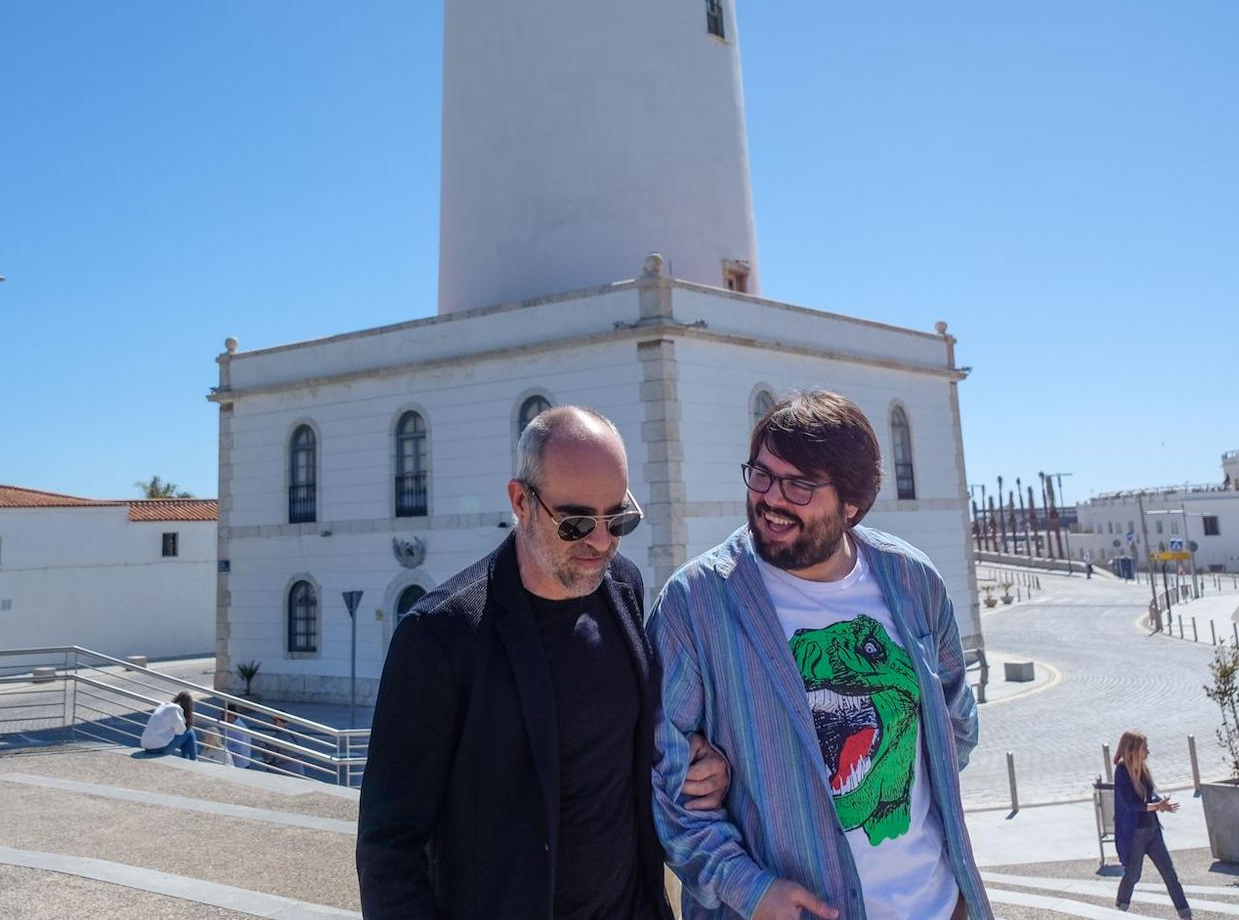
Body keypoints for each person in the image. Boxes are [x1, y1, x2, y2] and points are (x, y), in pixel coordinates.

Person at [357, 405, 729, 918]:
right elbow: (388, 845)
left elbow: (620, 739)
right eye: (576, 522)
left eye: (618, 517)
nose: (601, 541)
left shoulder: (624, 586)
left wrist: (692, 758)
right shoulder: (440, 636)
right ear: (521, 501)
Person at [651, 390, 991, 920]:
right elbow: (667, 786)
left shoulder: (912, 579)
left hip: (939, 905)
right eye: (761, 474)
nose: (771, 498)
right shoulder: (694, 604)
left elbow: (955, 727)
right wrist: (750, 888)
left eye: (799, 485)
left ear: (852, 504)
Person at [1110, 730, 1192, 917]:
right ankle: (1122, 906)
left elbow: (1151, 793)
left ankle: (1185, 913)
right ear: (1132, 749)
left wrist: (1162, 803)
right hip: (1135, 833)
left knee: (1170, 874)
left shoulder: (1143, 769)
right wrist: (1157, 806)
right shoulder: (1122, 771)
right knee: (1133, 875)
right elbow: (1131, 804)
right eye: (1144, 747)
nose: (1147, 751)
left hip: (1153, 830)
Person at [139, 691, 199, 760]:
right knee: (189, 732)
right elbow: (180, 731)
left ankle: (187, 759)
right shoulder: (175, 709)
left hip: (147, 747)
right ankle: (193, 760)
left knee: (185, 734)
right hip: (160, 750)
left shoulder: (162, 706)